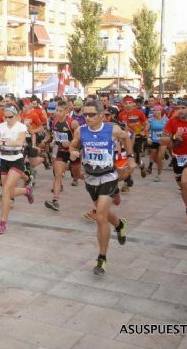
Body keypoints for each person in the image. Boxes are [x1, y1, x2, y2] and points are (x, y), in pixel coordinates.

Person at [69, 100, 131, 275]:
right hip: (90, 177)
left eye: (91, 114)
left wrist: (131, 157)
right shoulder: (80, 131)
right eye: (85, 115)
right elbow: (73, 144)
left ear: (101, 115)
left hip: (109, 176)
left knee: (100, 216)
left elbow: (127, 138)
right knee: (102, 211)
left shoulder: (112, 129)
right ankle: (119, 224)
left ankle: (101, 258)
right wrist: (73, 151)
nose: (87, 118)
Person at [0, 105, 35, 234]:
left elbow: (19, 142)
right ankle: (26, 190)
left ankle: (2, 223)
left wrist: (2, 143)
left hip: (16, 160)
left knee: (6, 192)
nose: (7, 119)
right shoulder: (0, 127)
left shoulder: (21, 127)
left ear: (17, 116)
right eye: (5, 117)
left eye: (10, 117)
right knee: (8, 192)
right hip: (4, 161)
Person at [45, 100, 80, 211]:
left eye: (60, 111)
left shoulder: (72, 123)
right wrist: (53, 142)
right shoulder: (54, 122)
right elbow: (55, 136)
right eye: (56, 110)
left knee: (78, 175)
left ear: (66, 111)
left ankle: (75, 174)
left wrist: (71, 144)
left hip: (73, 152)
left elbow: (80, 139)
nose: (57, 113)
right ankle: (55, 201)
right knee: (57, 175)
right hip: (61, 151)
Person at [147, 105, 168, 182]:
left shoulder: (166, 120)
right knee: (155, 159)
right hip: (153, 141)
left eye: (158, 110)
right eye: (155, 110)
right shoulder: (150, 120)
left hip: (163, 141)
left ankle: (159, 175)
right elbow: (146, 130)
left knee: (159, 158)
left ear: (161, 111)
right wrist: (148, 138)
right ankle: (160, 163)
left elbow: (169, 130)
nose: (156, 112)